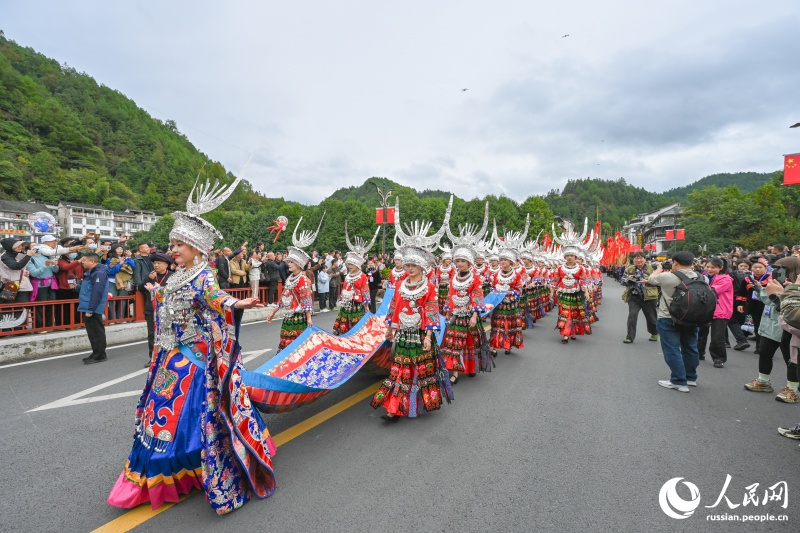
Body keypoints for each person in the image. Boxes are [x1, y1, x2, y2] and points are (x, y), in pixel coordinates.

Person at [107, 177, 276, 515]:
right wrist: (158, 293)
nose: (173, 250)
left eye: (179, 245)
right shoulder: (174, 275)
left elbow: (214, 299)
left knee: (191, 416)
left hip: (194, 359)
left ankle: (197, 466)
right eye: (173, 244)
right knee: (161, 415)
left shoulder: (204, 275)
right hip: (168, 356)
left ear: (196, 249)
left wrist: (238, 304)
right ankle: (161, 471)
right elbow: (172, 308)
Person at [648, 251, 703, 393]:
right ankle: (691, 377)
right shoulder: (702, 278)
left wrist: (659, 269)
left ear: (675, 262)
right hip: (692, 317)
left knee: (672, 349)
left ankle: (678, 381)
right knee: (690, 347)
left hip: (668, 318)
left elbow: (650, 279)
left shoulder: (668, 277)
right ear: (692, 263)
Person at [743, 278, 798, 402]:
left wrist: (783, 292)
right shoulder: (777, 283)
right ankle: (763, 381)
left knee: (792, 360)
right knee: (764, 352)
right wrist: (760, 289)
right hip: (770, 324)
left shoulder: (795, 288)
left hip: (789, 327)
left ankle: (792, 388)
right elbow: (767, 299)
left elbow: (789, 307)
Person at [266, 225, 319, 352]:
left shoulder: (303, 279)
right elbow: (284, 296)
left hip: (298, 316)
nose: (288, 264)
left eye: (291, 262)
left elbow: (306, 299)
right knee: (286, 342)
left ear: (299, 264)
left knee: (298, 345)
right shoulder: (290, 278)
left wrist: (309, 318)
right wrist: (273, 311)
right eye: (288, 262)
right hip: (289, 316)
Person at [441, 244, 488, 383]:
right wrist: (448, 311)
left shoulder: (475, 278)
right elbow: (450, 295)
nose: (460, 264)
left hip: (469, 315)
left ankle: (471, 368)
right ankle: (455, 371)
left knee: (470, 342)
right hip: (456, 316)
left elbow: (477, 297)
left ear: (469, 263)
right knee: (454, 343)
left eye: (463, 261)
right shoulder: (453, 278)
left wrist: (474, 315)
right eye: (458, 261)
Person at [697, 257, 733, 368]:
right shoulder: (704, 277)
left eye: (713, 267)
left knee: (717, 337)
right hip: (706, 309)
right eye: (708, 266)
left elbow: (712, 290)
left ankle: (719, 358)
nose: (710, 269)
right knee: (701, 333)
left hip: (721, 311)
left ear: (721, 268)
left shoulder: (726, 279)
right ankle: (699, 353)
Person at [139, 252, 172, 366]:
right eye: (155, 263)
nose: (156, 265)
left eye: (159, 263)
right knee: (152, 334)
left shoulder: (172, 276)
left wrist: (160, 289)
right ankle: (153, 357)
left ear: (166, 265)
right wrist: (148, 278)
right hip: (151, 309)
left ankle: (168, 355)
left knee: (168, 332)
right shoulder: (151, 275)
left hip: (167, 309)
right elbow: (140, 288)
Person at [77, 253, 110, 364]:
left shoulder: (99, 273)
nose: (82, 262)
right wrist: (76, 287)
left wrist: (90, 309)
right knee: (92, 332)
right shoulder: (93, 272)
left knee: (96, 331)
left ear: (92, 261)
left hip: (92, 307)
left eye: (84, 260)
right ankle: (96, 352)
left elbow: (97, 292)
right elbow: (89, 289)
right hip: (89, 306)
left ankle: (100, 355)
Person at [621, 253, 659, 344]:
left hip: (649, 297)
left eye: (641, 259)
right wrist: (628, 279)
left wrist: (647, 281)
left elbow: (659, 281)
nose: (639, 261)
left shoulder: (652, 268)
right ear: (634, 260)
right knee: (632, 316)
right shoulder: (629, 269)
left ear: (645, 259)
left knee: (651, 317)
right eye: (637, 259)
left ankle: (654, 332)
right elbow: (622, 281)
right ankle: (630, 337)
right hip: (634, 296)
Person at [333, 251, 371, 335]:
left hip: (356, 304)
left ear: (357, 265)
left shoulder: (363, 276)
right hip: (346, 303)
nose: (350, 266)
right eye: (349, 264)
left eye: (352, 265)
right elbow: (344, 288)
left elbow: (365, 291)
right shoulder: (348, 276)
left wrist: (366, 306)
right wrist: (342, 300)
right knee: (344, 320)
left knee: (356, 323)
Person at [28, 236, 61, 331]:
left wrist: (55, 265)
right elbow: (34, 273)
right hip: (39, 285)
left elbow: (55, 270)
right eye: (33, 247)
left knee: (51, 305)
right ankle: (39, 327)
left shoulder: (46, 256)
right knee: (40, 306)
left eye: (37, 246)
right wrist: (45, 266)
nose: (36, 248)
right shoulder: (30, 259)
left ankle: (49, 325)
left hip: (51, 284)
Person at [0, 238, 35, 327]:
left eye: (21, 245)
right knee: (7, 308)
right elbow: (16, 266)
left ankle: (20, 330)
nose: (20, 247)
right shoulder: (5, 257)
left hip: (21, 286)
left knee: (21, 308)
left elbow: (20, 268)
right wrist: (28, 256)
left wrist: (26, 272)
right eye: (17, 245)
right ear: (10, 247)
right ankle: (5, 330)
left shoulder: (18, 255)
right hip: (11, 285)